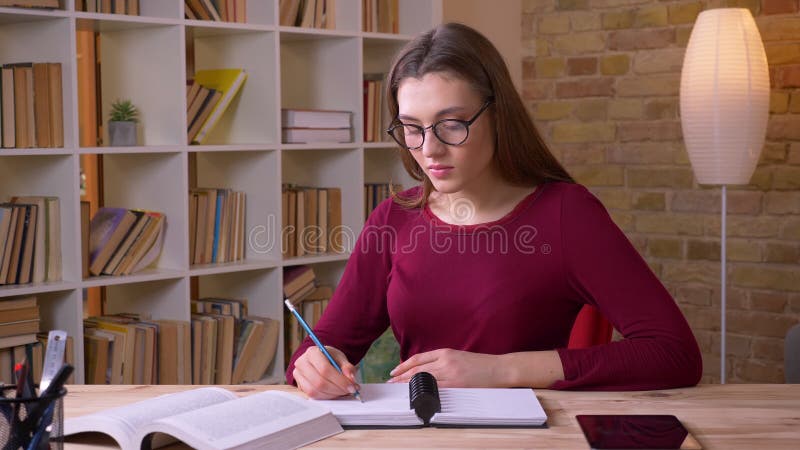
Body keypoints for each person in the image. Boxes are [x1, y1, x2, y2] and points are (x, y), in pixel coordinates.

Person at [286, 22, 702, 399]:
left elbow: (673, 352)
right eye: (412, 128)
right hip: (418, 436)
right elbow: (324, 342)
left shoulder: (566, 215)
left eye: (452, 124)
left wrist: (501, 369)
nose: (429, 149)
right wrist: (313, 366)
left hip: (528, 438)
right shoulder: (394, 218)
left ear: (497, 115)